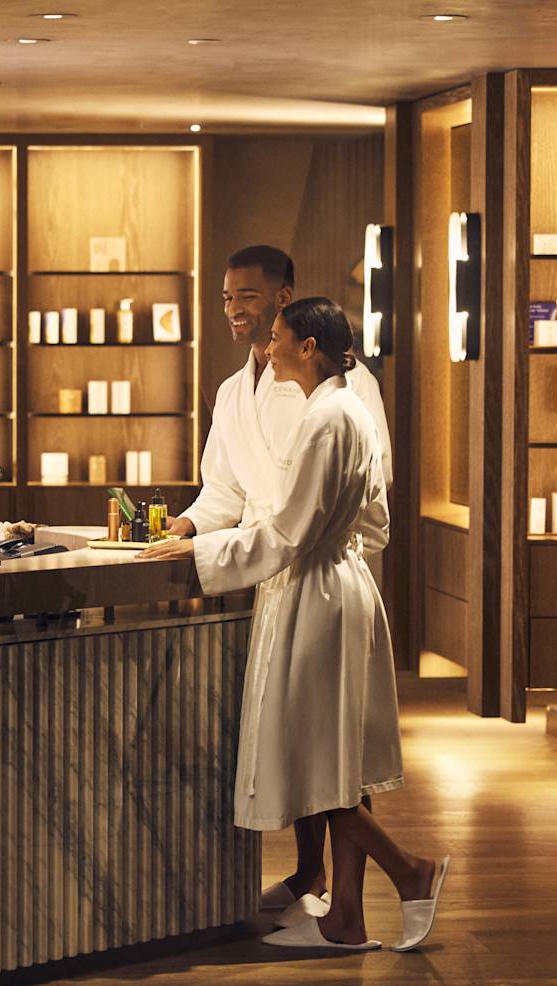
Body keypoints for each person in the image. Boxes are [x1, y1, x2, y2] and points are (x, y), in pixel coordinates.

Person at [141, 297, 448, 952]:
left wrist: (199, 554)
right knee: (329, 758)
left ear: (309, 347)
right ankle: (348, 917)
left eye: (277, 337)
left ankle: (409, 872)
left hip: (316, 597)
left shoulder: (328, 421)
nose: (268, 347)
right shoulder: (343, 414)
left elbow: (285, 534)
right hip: (337, 587)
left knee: (317, 759)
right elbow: (375, 525)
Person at [168, 245, 393, 917]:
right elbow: (223, 493)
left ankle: (358, 893)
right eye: (228, 298)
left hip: (320, 572)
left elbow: (369, 499)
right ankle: (312, 876)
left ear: (285, 301)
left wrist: (342, 558)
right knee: (303, 739)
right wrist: (184, 528)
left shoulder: (348, 395)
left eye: (249, 298)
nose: (236, 310)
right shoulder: (233, 393)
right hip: (272, 575)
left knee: (337, 743)